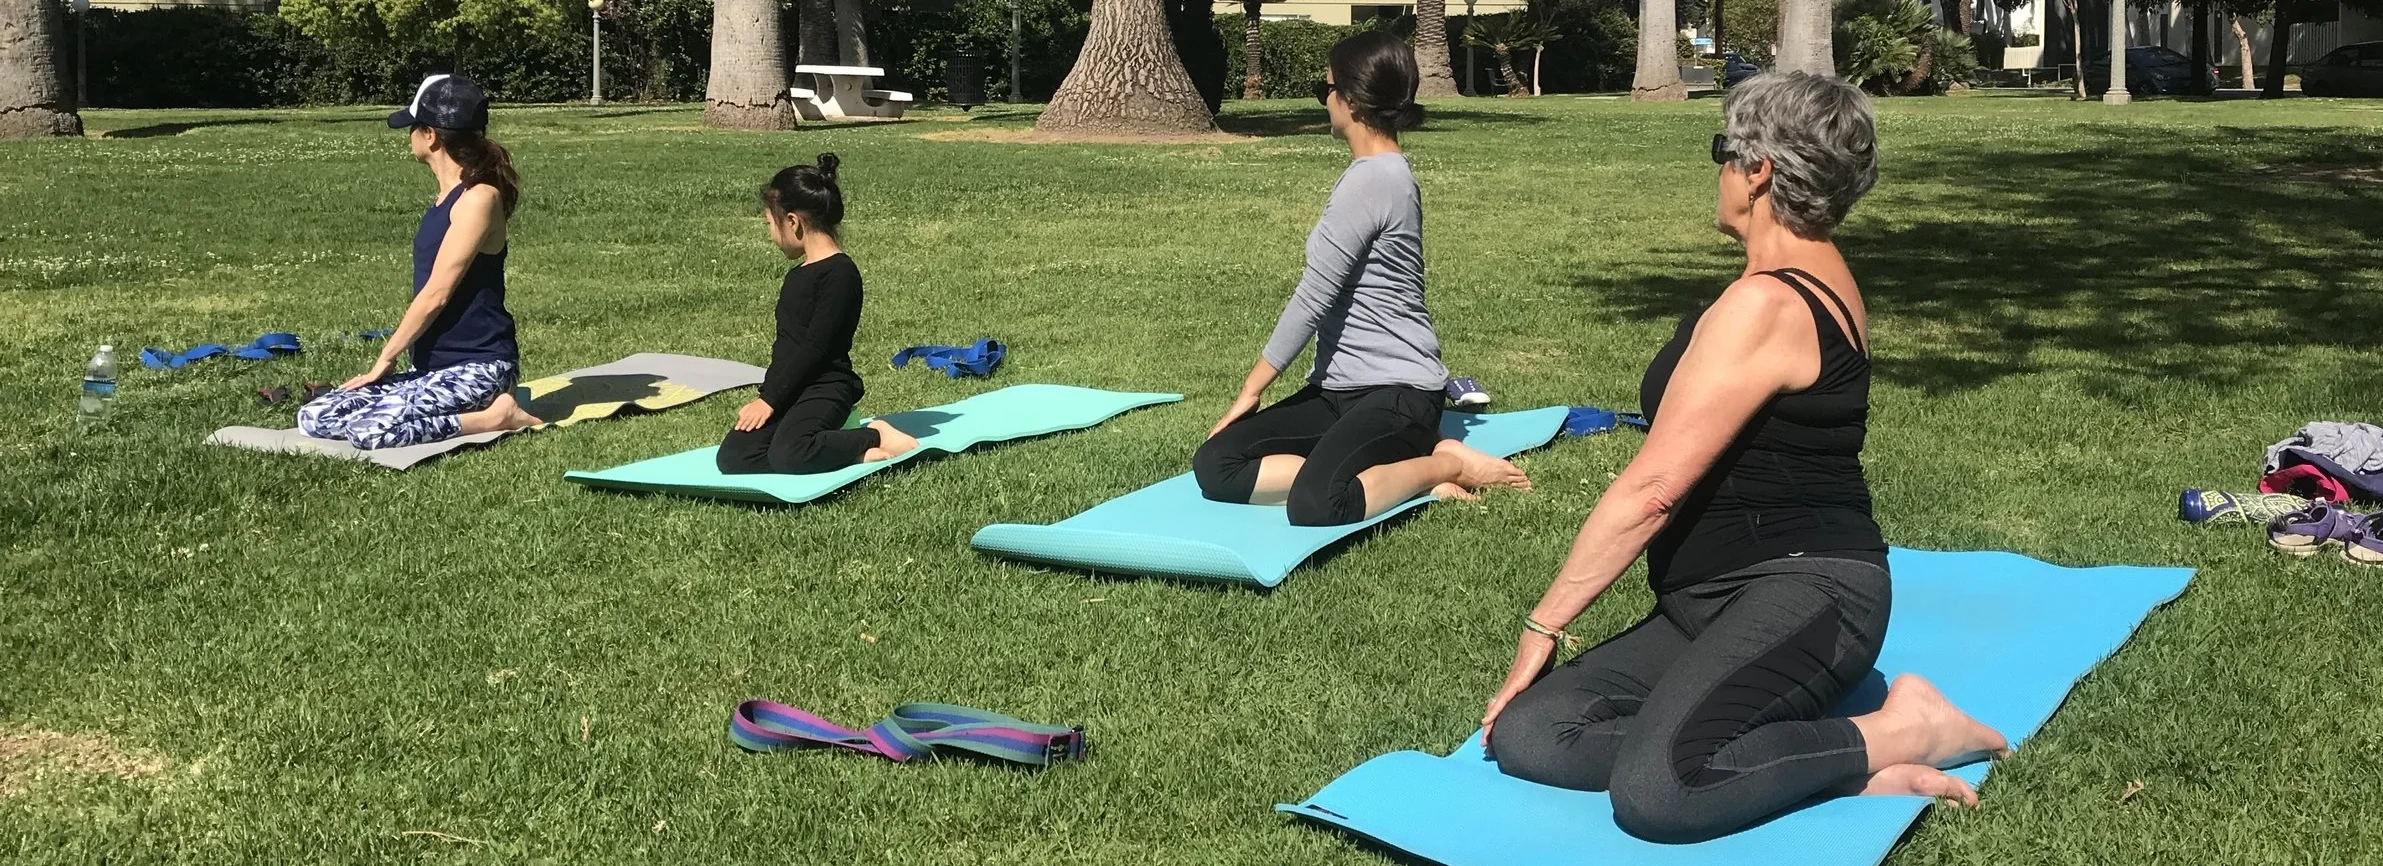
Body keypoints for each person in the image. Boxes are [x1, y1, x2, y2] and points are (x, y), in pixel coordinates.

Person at [1475, 73, 2009, 844]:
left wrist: (1543, 626)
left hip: (1809, 591)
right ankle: (1803, 759)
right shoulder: (1798, 278)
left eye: (1722, 151)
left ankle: (1906, 730)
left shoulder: (1766, 305)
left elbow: (1653, 488)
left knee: (1661, 792)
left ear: (1757, 171)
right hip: (1707, 600)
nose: (1718, 171)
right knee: (1531, 734)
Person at [1191, 31, 1528, 527]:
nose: (1325, 100)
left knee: (1317, 504)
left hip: (1398, 392)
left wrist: (1251, 390)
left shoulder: (1373, 180)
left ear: (1350, 97)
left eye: (1324, 89)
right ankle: (1382, 469)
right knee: (1216, 464)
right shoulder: (1385, 173)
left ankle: (1449, 463)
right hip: (1338, 392)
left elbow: (1314, 297)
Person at [298, 73, 540, 449]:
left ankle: (498, 415)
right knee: (315, 416)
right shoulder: (445, 199)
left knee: (371, 429)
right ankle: (461, 407)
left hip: (478, 369)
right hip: (431, 371)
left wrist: (384, 361)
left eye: (413, 127)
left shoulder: (479, 199)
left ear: (431, 135)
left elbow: (436, 294)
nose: (408, 136)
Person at [716, 154, 920, 475]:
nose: (771, 234)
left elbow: (816, 347)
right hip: (792, 387)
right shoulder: (798, 275)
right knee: (734, 457)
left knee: (790, 454)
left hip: (826, 387)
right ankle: (834, 448)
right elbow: (787, 347)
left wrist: (770, 401)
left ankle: (874, 435)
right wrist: (772, 394)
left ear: (793, 221)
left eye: (770, 224)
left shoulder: (840, 274)